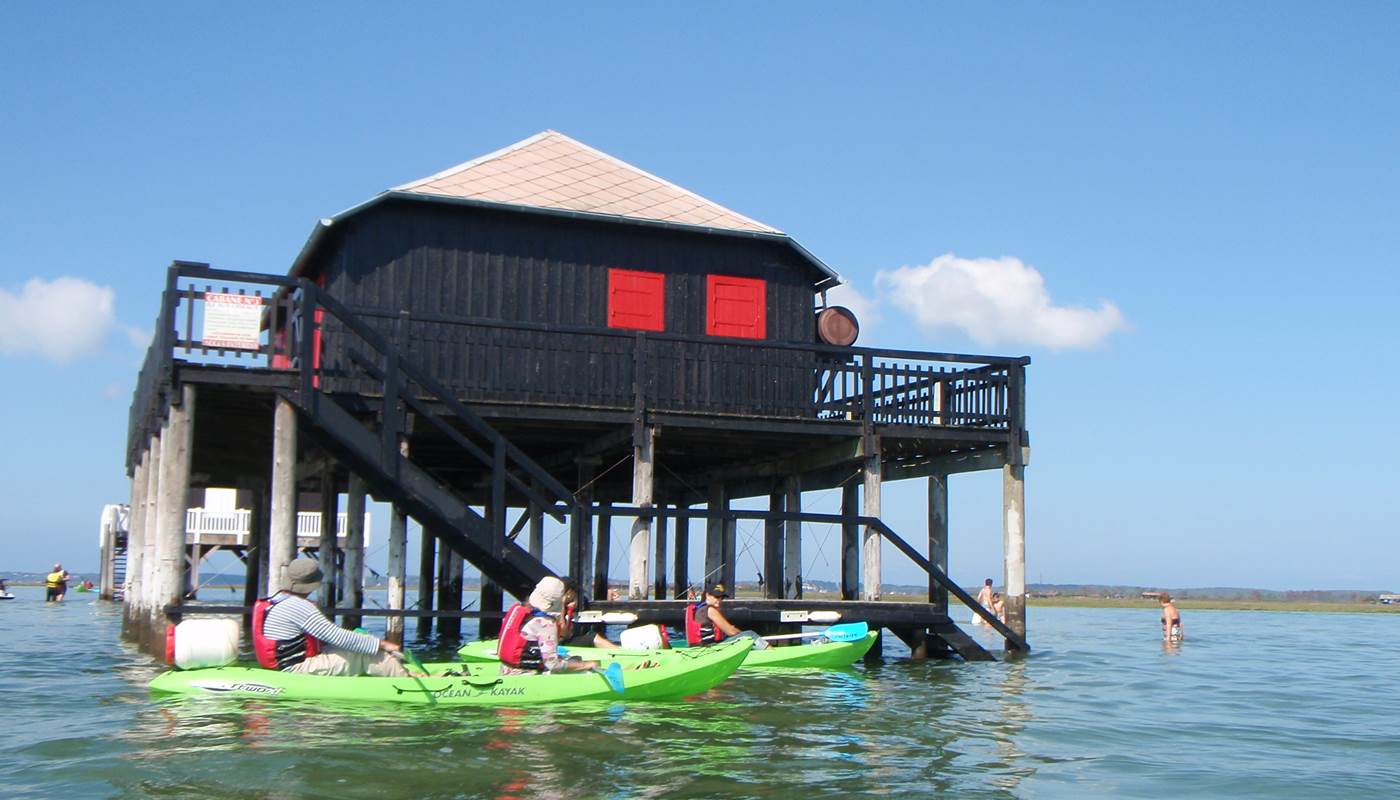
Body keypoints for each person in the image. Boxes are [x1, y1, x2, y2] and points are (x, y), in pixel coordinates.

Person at [256, 558, 413, 677]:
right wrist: (383, 644)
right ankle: (407, 682)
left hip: (281, 664)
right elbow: (337, 636)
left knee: (359, 647)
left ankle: (398, 671)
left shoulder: (276, 600)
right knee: (368, 653)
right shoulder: (299, 606)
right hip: (295, 668)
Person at [499, 576, 607, 675]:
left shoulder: (520, 610)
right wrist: (587, 665)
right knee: (582, 665)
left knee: (574, 659)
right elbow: (553, 665)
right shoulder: (545, 623)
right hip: (526, 675)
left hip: (505, 669)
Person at [684, 583, 768, 649]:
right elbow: (731, 631)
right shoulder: (710, 610)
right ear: (707, 595)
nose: (719, 600)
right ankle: (771, 653)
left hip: (700, 648)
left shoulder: (700, 609)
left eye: (721, 597)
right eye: (716, 597)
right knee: (750, 634)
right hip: (710, 649)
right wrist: (743, 635)